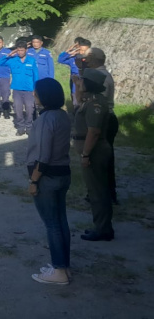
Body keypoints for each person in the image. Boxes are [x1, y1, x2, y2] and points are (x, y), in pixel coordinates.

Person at [27, 78, 72, 285]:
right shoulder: (62, 115)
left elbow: (43, 155)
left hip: (47, 176)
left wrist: (34, 181)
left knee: (52, 224)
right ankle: (62, 265)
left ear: (44, 96)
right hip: (63, 173)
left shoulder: (45, 120)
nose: (34, 95)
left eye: (36, 93)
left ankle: (60, 271)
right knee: (61, 222)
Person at [75, 66, 115, 241]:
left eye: (83, 80)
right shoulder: (90, 99)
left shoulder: (95, 104)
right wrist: (77, 86)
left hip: (95, 151)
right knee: (96, 190)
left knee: (97, 192)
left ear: (89, 83)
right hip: (94, 150)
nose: (80, 82)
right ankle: (101, 226)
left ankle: (103, 229)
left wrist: (85, 154)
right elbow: (78, 100)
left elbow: (94, 132)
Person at [77, 48, 119, 204]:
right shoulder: (100, 74)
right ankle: (103, 193)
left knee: (99, 158)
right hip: (105, 116)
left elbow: (91, 101)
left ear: (93, 59)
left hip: (102, 118)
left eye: (87, 58)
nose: (84, 61)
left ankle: (101, 194)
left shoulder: (99, 78)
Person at [0, 40, 40, 136]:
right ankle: (21, 127)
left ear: (26, 50)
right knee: (18, 109)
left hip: (29, 90)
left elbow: (36, 75)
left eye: (22, 50)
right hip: (17, 89)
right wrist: (9, 54)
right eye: (18, 50)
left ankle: (29, 126)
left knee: (30, 109)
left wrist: (35, 89)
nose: (20, 52)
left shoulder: (31, 60)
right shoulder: (13, 60)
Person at [58, 38, 91, 111]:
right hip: (75, 86)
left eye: (83, 50)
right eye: (79, 49)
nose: (81, 52)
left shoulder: (91, 59)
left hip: (87, 86)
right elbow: (60, 60)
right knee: (76, 105)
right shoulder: (73, 58)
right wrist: (68, 52)